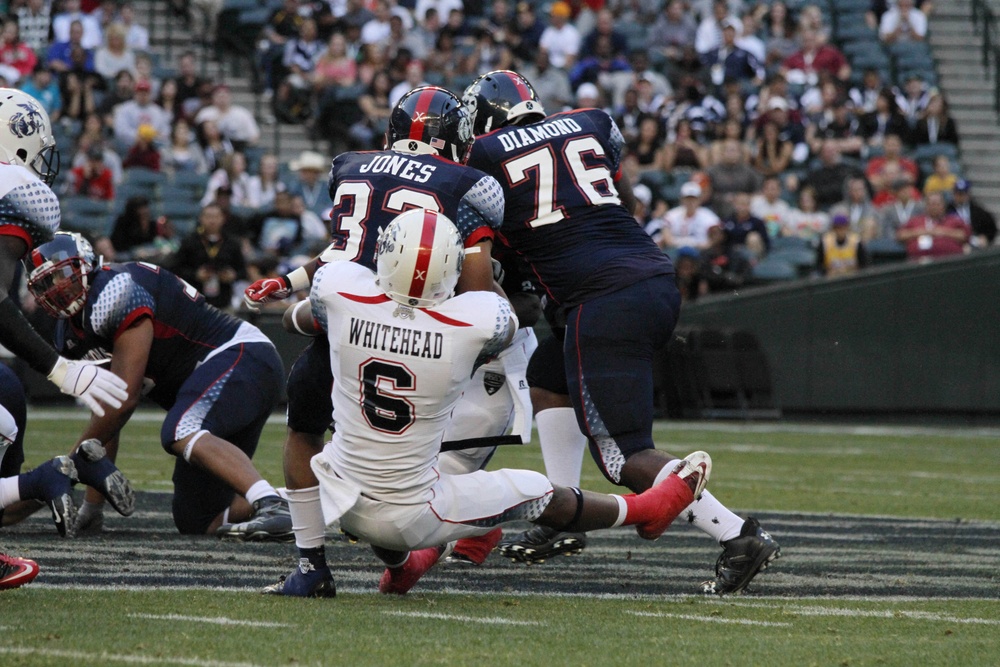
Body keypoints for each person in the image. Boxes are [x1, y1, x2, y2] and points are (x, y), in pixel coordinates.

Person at [267, 207, 712, 596]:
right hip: (411, 512)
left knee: (395, 475)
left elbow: (298, 318)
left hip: (339, 494)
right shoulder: (471, 322)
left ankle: (405, 568)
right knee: (536, 490)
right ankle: (646, 510)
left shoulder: (341, 291)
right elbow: (509, 318)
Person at [461, 71, 780, 594]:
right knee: (548, 376)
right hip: (652, 277)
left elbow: (492, 235)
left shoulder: (486, 155)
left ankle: (737, 534)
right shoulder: (588, 123)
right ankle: (560, 510)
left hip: (603, 298)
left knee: (621, 455)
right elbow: (628, 203)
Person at [242, 87, 522, 595]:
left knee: (304, 433)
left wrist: (289, 282)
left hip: (346, 324)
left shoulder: (354, 166)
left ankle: (312, 567)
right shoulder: (469, 184)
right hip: (410, 335)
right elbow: (478, 291)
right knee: (402, 465)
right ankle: (426, 538)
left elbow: (348, 249)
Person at [24, 232, 292, 540]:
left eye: (63, 274)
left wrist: (64, 470)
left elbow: (124, 400)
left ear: (85, 264)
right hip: (221, 379)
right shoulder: (71, 333)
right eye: (46, 283)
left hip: (242, 356)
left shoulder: (115, 288)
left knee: (180, 430)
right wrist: (92, 508)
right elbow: (108, 411)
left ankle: (270, 503)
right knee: (198, 520)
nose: (57, 287)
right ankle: (301, 500)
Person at [0, 88, 130, 579]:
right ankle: (41, 479)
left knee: (4, 404)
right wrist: (60, 369)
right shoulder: (14, 184)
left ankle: (44, 477)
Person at [173, 204, 247, 310]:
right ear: (201, 218)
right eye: (208, 216)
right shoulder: (189, 241)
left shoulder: (232, 243)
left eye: (216, 217)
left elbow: (242, 270)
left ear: (223, 219)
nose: (212, 221)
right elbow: (176, 269)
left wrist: (232, 275)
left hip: (224, 302)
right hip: (194, 302)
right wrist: (195, 274)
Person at [896, 191, 970, 260]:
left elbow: (964, 235)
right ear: (926, 206)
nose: (934, 207)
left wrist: (942, 232)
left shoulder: (953, 220)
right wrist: (922, 232)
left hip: (948, 261)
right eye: (931, 204)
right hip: (918, 261)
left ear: (943, 205)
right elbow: (901, 235)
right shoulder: (915, 221)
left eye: (937, 204)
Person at [948, 179, 997, 248]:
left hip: (974, 240)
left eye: (963, 194)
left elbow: (991, 227)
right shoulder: (947, 209)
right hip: (954, 241)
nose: (960, 197)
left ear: (968, 194)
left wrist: (986, 237)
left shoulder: (978, 211)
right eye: (958, 194)